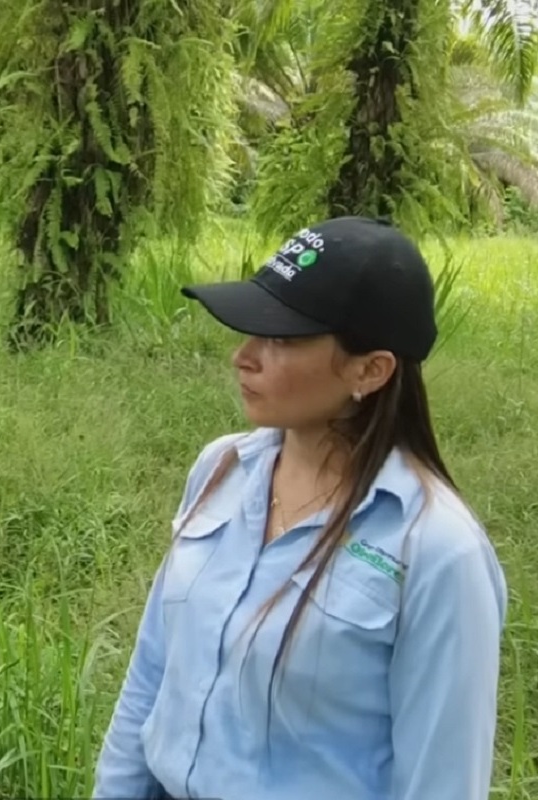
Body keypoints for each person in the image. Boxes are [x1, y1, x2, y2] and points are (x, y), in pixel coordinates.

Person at [92, 216, 507, 800]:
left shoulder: (436, 550)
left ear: (371, 370)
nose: (244, 357)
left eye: (282, 339)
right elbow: (153, 675)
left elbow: (442, 780)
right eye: (252, 332)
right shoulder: (222, 471)